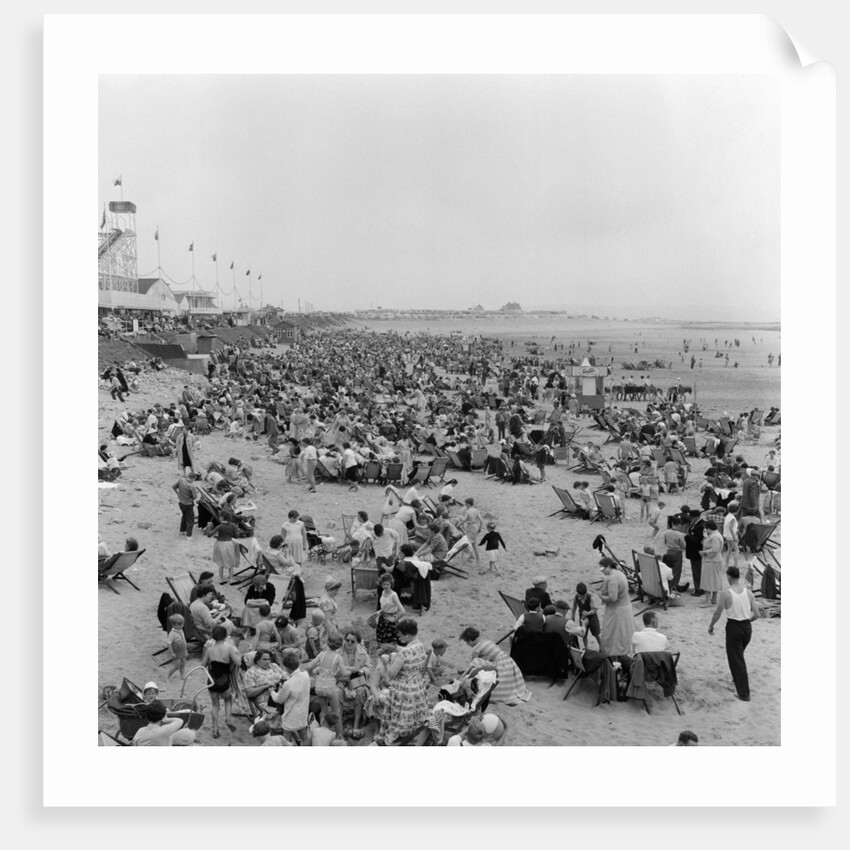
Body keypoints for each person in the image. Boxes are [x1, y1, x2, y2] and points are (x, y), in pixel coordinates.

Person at [708, 566, 764, 702]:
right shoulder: (749, 593)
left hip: (734, 627)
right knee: (738, 656)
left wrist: (711, 626)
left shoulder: (726, 593)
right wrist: (747, 622)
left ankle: (744, 694)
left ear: (729, 577)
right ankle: (736, 678)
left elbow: (718, 613)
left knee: (736, 659)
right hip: (746, 627)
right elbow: (757, 614)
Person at [378, 618, 430, 745]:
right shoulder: (420, 645)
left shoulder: (404, 653)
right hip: (417, 684)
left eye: (401, 634)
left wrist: (386, 662)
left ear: (406, 634)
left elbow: (391, 673)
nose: (399, 637)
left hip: (404, 688)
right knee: (414, 712)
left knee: (399, 715)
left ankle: (396, 737)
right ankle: (414, 734)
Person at [459, 626, 531, 705]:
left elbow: (474, 664)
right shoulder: (487, 641)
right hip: (507, 660)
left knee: (477, 662)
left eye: (467, 642)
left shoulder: (476, 649)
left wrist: (466, 674)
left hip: (499, 663)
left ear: (470, 640)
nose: (467, 644)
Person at [303, 633, 346, 738]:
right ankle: (339, 735)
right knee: (336, 712)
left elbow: (309, 666)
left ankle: (322, 734)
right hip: (330, 687)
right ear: (340, 646)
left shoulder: (321, 654)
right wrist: (348, 670)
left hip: (319, 686)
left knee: (323, 711)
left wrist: (317, 671)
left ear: (327, 642)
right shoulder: (338, 657)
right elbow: (344, 673)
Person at [202, 625, 241, 738]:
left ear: (213, 637)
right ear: (226, 637)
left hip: (212, 679)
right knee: (228, 700)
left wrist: (210, 661)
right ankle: (228, 719)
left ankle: (215, 729)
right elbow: (238, 663)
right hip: (224, 679)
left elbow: (202, 665)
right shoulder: (229, 649)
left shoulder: (209, 650)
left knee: (215, 705)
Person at [271, 649, 312, 745]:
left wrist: (272, 692)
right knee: (304, 736)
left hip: (290, 715)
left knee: (286, 740)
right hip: (303, 712)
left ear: (287, 668)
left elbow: (279, 700)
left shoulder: (288, 684)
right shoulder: (305, 675)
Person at [598, 557, 635, 656]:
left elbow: (613, 598)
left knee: (613, 634)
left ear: (608, 567)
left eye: (602, 569)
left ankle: (614, 654)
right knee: (623, 633)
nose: (601, 571)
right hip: (626, 607)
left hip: (617, 611)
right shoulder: (620, 573)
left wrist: (601, 596)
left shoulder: (612, 579)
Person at [338, 630, 372, 739]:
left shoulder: (363, 653)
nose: (349, 643)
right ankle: (339, 725)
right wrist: (348, 669)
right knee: (337, 692)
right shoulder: (338, 651)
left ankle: (356, 723)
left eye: (352, 641)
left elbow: (369, 668)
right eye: (347, 640)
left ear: (357, 642)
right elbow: (333, 667)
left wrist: (362, 671)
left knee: (361, 691)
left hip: (357, 681)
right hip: (342, 680)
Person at [242, 648, 286, 715]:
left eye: (268, 659)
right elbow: (249, 693)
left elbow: (286, 677)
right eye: (264, 659)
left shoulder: (274, 666)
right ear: (257, 660)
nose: (267, 662)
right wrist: (266, 686)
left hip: (282, 696)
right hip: (266, 702)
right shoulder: (251, 672)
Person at [699, 520, 725, 609]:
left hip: (711, 560)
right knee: (715, 579)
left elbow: (715, 549)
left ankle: (708, 601)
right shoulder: (715, 535)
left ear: (709, 528)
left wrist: (704, 552)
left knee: (708, 580)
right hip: (714, 560)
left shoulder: (715, 537)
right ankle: (714, 599)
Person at [375, 572, 405, 645]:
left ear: (391, 584)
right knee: (382, 641)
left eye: (387, 584)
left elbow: (402, 611)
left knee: (391, 643)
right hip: (382, 619)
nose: (385, 586)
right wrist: (379, 611)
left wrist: (393, 619)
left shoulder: (393, 595)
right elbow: (384, 606)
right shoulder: (383, 592)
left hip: (390, 622)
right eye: (384, 584)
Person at [571, 582, 601, 651]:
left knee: (596, 634)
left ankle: (601, 647)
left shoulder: (590, 597)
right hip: (583, 618)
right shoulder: (576, 597)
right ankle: (586, 648)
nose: (583, 597)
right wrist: (572, 616)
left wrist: (588, 613)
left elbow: (595, 609)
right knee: (583, 634)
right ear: (578, 593)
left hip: (592, 618)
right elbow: (574, 607)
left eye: (584, 595)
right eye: (581, 596)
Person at [172, 472, 198, 538]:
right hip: (188, 504)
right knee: (190, 519)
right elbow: (195, 497)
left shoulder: (181, 480)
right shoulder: (191, 486)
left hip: (181, 502)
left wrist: (178, 494)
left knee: (184, 516)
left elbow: (174, 487)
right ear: (193, 478)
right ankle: (188, 535)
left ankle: (182, 531)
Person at [459, 497, 483, 566]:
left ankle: (473, 557)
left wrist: (458, 524)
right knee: (474, 543)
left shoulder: (468, 511)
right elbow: (481, 520)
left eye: (466, 504)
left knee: (468, 543)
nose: (465, 505)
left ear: (468, 504)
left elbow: (464, 520)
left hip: (470, 527)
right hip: (475, 527)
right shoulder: (476, 510)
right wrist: (480, 528)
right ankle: (474, 557)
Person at [165, 614, 188, 681]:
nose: (182, 625)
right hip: (176, 652)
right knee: (177, 666)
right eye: (179, 624)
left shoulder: (180, 630)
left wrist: (186, 648)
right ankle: (168, 676)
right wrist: (172, 653)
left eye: (182, 624)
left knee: (183, 664)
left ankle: (182, 676)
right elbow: (169, 643)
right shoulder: (172, 633)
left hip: (182, 650)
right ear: (173, 625)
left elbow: (183, 639)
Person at [723, 501, 740, 568]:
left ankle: (726, 563)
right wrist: (734, 537)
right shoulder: (733, 518)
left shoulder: (728, 516)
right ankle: (736, 565)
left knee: (729, 549)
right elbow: (731, 528)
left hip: (726, 535)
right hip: (731, 536)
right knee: (736, 550)